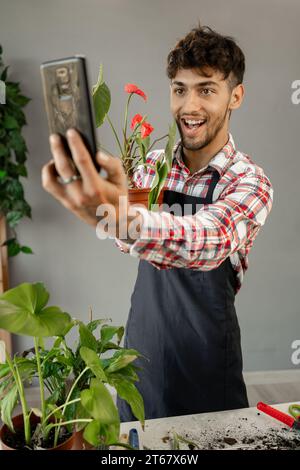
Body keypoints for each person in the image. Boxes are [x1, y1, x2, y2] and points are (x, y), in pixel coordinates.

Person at [42, 24, 273, 422]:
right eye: (180, 89)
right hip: (143, 348)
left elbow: (210, 240)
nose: (189, 105)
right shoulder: (153, 166)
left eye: (206, 89)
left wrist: (123, 219)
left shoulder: (249, 181)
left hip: (207, 363)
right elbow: (122, 239)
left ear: (236, 96)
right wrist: (112, 212)